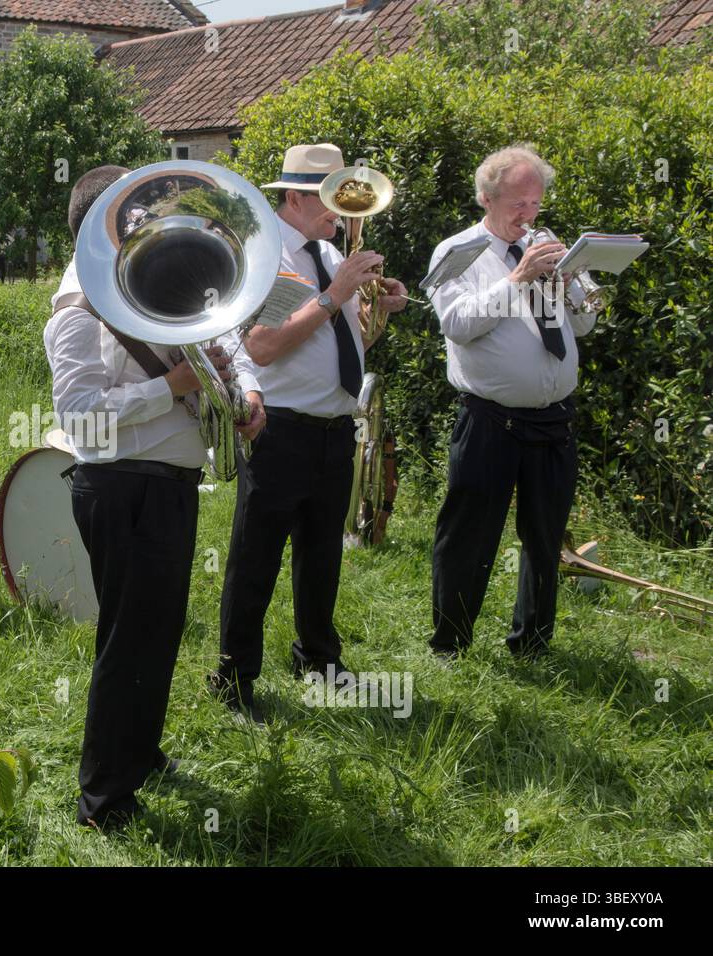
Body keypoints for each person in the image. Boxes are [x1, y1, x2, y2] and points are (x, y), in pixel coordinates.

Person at [45, 164, 265, 830]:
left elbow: (223, 334)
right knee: (129, 641)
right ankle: (103, 799)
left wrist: (243, 394)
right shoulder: (78, 310)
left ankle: (137, 752)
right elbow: (80, 416)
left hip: (167, 485)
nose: (155, 224)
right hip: (121, 485)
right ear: (99, 227)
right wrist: (167, 390)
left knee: (156, 635)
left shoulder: (153, 295)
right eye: (138, 214)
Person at [210, 143, 410, 720]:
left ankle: (318, 657)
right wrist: (334, 295)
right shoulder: (270, 257)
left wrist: (376, 313)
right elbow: (263, 348)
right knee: (256, 558)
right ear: (294, 197)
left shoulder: (329, 253)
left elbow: (342, 347)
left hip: (333, 429)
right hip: (281, 429)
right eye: (331, 199)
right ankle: (234, 677)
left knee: (323, 555)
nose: (345, 213)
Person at [426, 144, 597, 660]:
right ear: (486, 197)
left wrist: (568, 283)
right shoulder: (457, 252)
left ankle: (534, 643)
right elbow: (457, 324)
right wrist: (517, 278)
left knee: (545, 537)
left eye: (536, 204)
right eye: (518, 204)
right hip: (490, 421)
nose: (530, 215)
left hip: (554, 420)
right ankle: (450, 644)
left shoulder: (549, 247)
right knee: (469, 536)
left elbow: (587, 322)